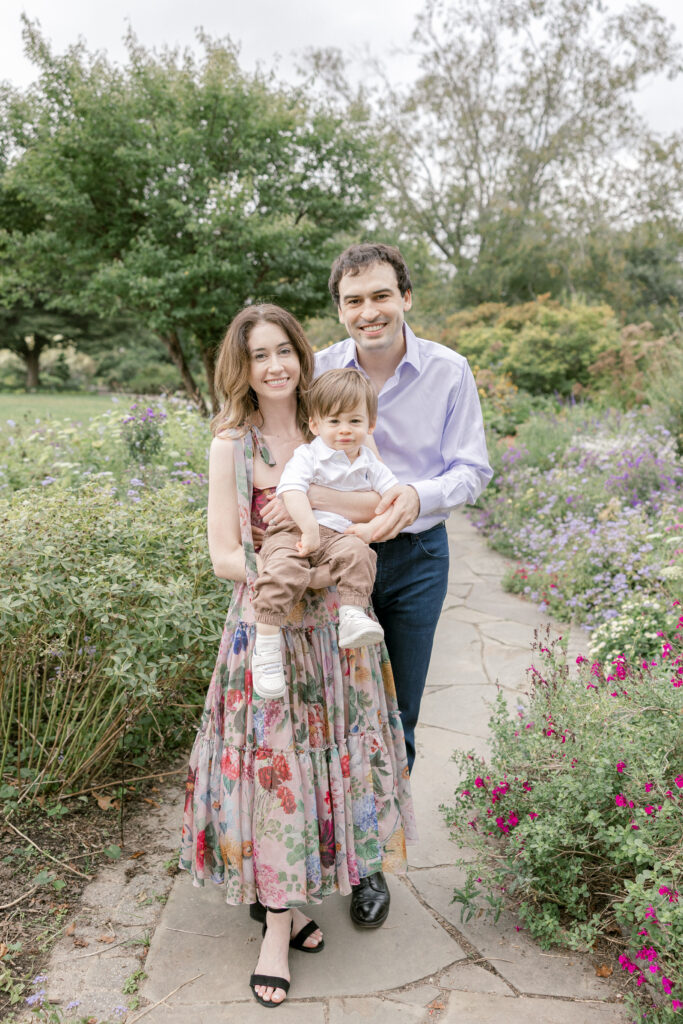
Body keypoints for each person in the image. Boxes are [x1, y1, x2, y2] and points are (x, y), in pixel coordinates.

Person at [179, 304, 416, 1008]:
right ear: (242, 367)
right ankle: (277, 927)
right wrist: (295, 566)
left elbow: (377, 510)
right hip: (271, 626)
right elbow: (224, 554)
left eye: (284, 349)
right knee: (276, 769)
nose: (275, 365)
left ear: (301, 353)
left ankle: (306, 895)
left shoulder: (332, 422)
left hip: (338, 630)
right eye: (259, 355)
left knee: (327, 763)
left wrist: (324, 505)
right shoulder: (234, 445)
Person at [314, 242, 493, 928]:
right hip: (334, 559)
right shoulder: (319, 369)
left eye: (380, 295)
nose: (369, 311)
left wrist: (418, 496)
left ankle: (369, 861)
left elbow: (471, 469)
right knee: (328, 708)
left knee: (397, 715)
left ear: (405, 298)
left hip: (417, 558)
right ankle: (316, 845)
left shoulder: (448, 370)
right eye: (353, 300)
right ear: (340, 309)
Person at [251, 367, 400, 698]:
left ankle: (352, 614)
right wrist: (309, 529)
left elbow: (393, 498)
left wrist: (369, 529)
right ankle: (267, 647)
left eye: (354, 421)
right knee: (282, 569)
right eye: (334, 421)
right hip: (294, 529)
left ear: (370, 425)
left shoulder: (370, 463)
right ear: (316, 425)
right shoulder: (309, 455)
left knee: (360, 554)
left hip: (337, 535)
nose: (344, 430)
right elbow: (291, 492)